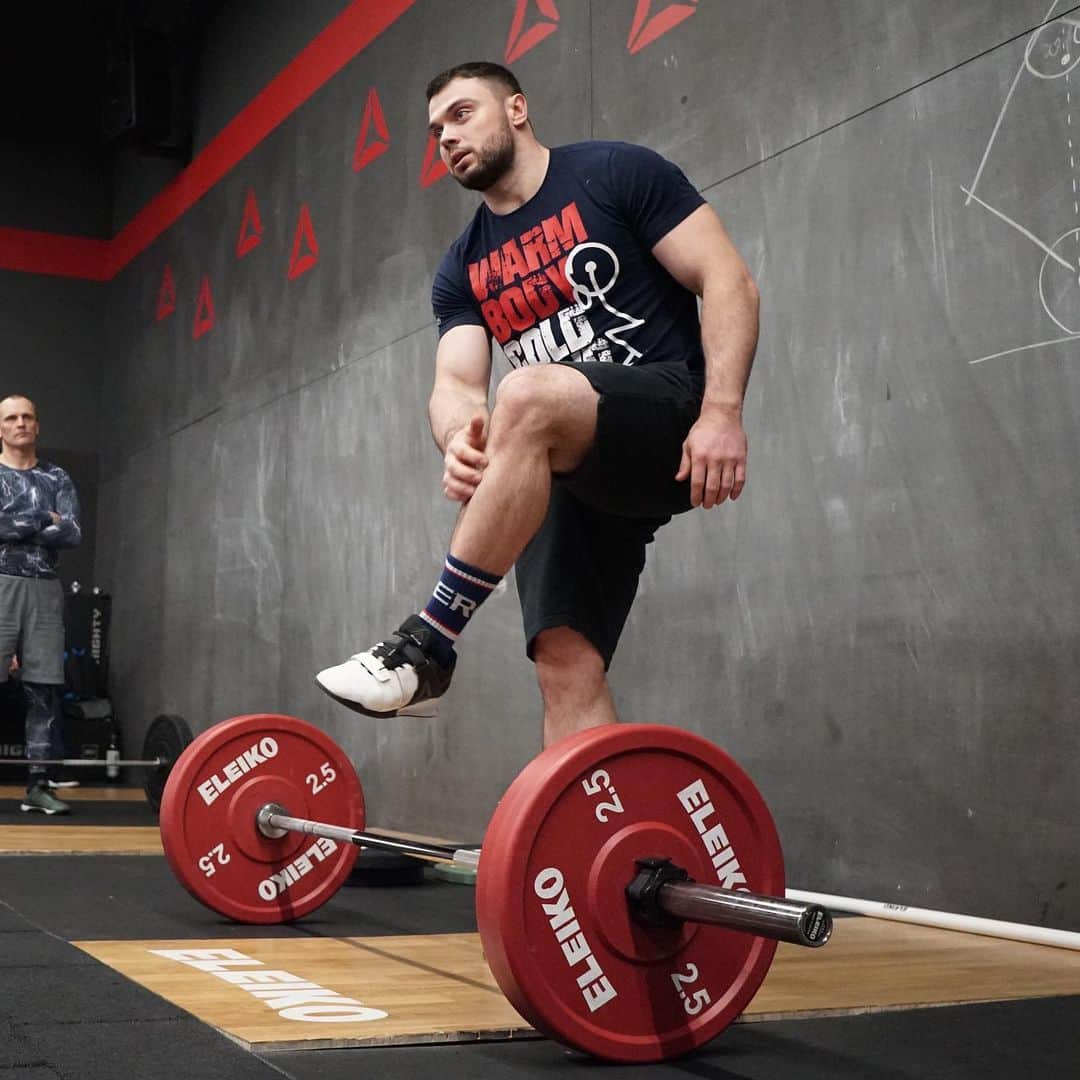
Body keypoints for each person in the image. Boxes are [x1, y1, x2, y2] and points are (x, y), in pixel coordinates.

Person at [317, 62, 759, 748]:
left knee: (525, 390)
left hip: (663, 410)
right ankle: (606, 846)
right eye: (436, 132)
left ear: (516, 109)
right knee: (563, 663)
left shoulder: (616, 174)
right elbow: (456, 386)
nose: (447, 138)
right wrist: (458, 438)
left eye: (462, 115)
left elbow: (726, 277)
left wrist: (722, 412)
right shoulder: (462, 264)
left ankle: (427, 644)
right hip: (565, 459)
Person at [0, 394, 82, 813]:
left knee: (43, 689)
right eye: (11, 418)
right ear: (0, 428)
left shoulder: (56, 477)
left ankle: (37, 785)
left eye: (27, 416)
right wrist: (40, 520)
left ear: (37, 425)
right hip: (1, 585)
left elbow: (72, 533)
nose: (20, 423)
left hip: (45, 588)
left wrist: (16, 525)